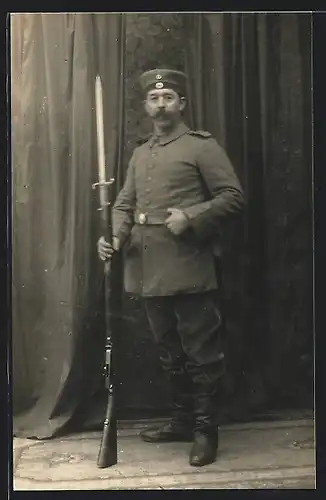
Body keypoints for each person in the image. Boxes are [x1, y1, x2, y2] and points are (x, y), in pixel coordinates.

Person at [97, 68, 245, 467]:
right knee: (169, 353)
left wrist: (193, 217)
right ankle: (181, 421)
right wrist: (114, 236)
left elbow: (233, 196)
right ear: (146, 106)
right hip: (148, 270)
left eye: (168, 99)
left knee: (202, 354)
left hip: (189, 266)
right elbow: (124, 204)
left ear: (181, 104)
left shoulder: (201, 146)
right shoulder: (141, 153)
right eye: (153, 100)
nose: (160, 106)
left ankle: (204, 432)